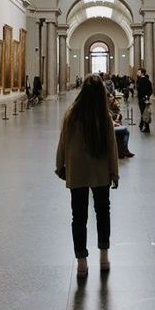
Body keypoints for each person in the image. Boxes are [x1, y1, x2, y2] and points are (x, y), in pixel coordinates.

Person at [55, 74, 119, 277]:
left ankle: (81, 261)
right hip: (100, 172)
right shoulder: (104, 116)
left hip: (78, 172)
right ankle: (104, 256)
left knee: (78, 216)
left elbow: (63, 142)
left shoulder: (71, 115)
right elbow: (112, 147)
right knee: (103, 212)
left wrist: (60, 165)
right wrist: (114, 172)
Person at [136, 68, 153, 133]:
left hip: (141, 99)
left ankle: (146, 127)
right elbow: (150, 90)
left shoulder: (139, 81)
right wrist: (147, 96)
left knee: (143, 113)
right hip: (146, 99)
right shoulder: (148, 80)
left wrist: (143, 97)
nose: (137, 73)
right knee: (145, 112)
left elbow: (140, 90)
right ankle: (143, 125)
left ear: (142, 73)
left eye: (138, 72)